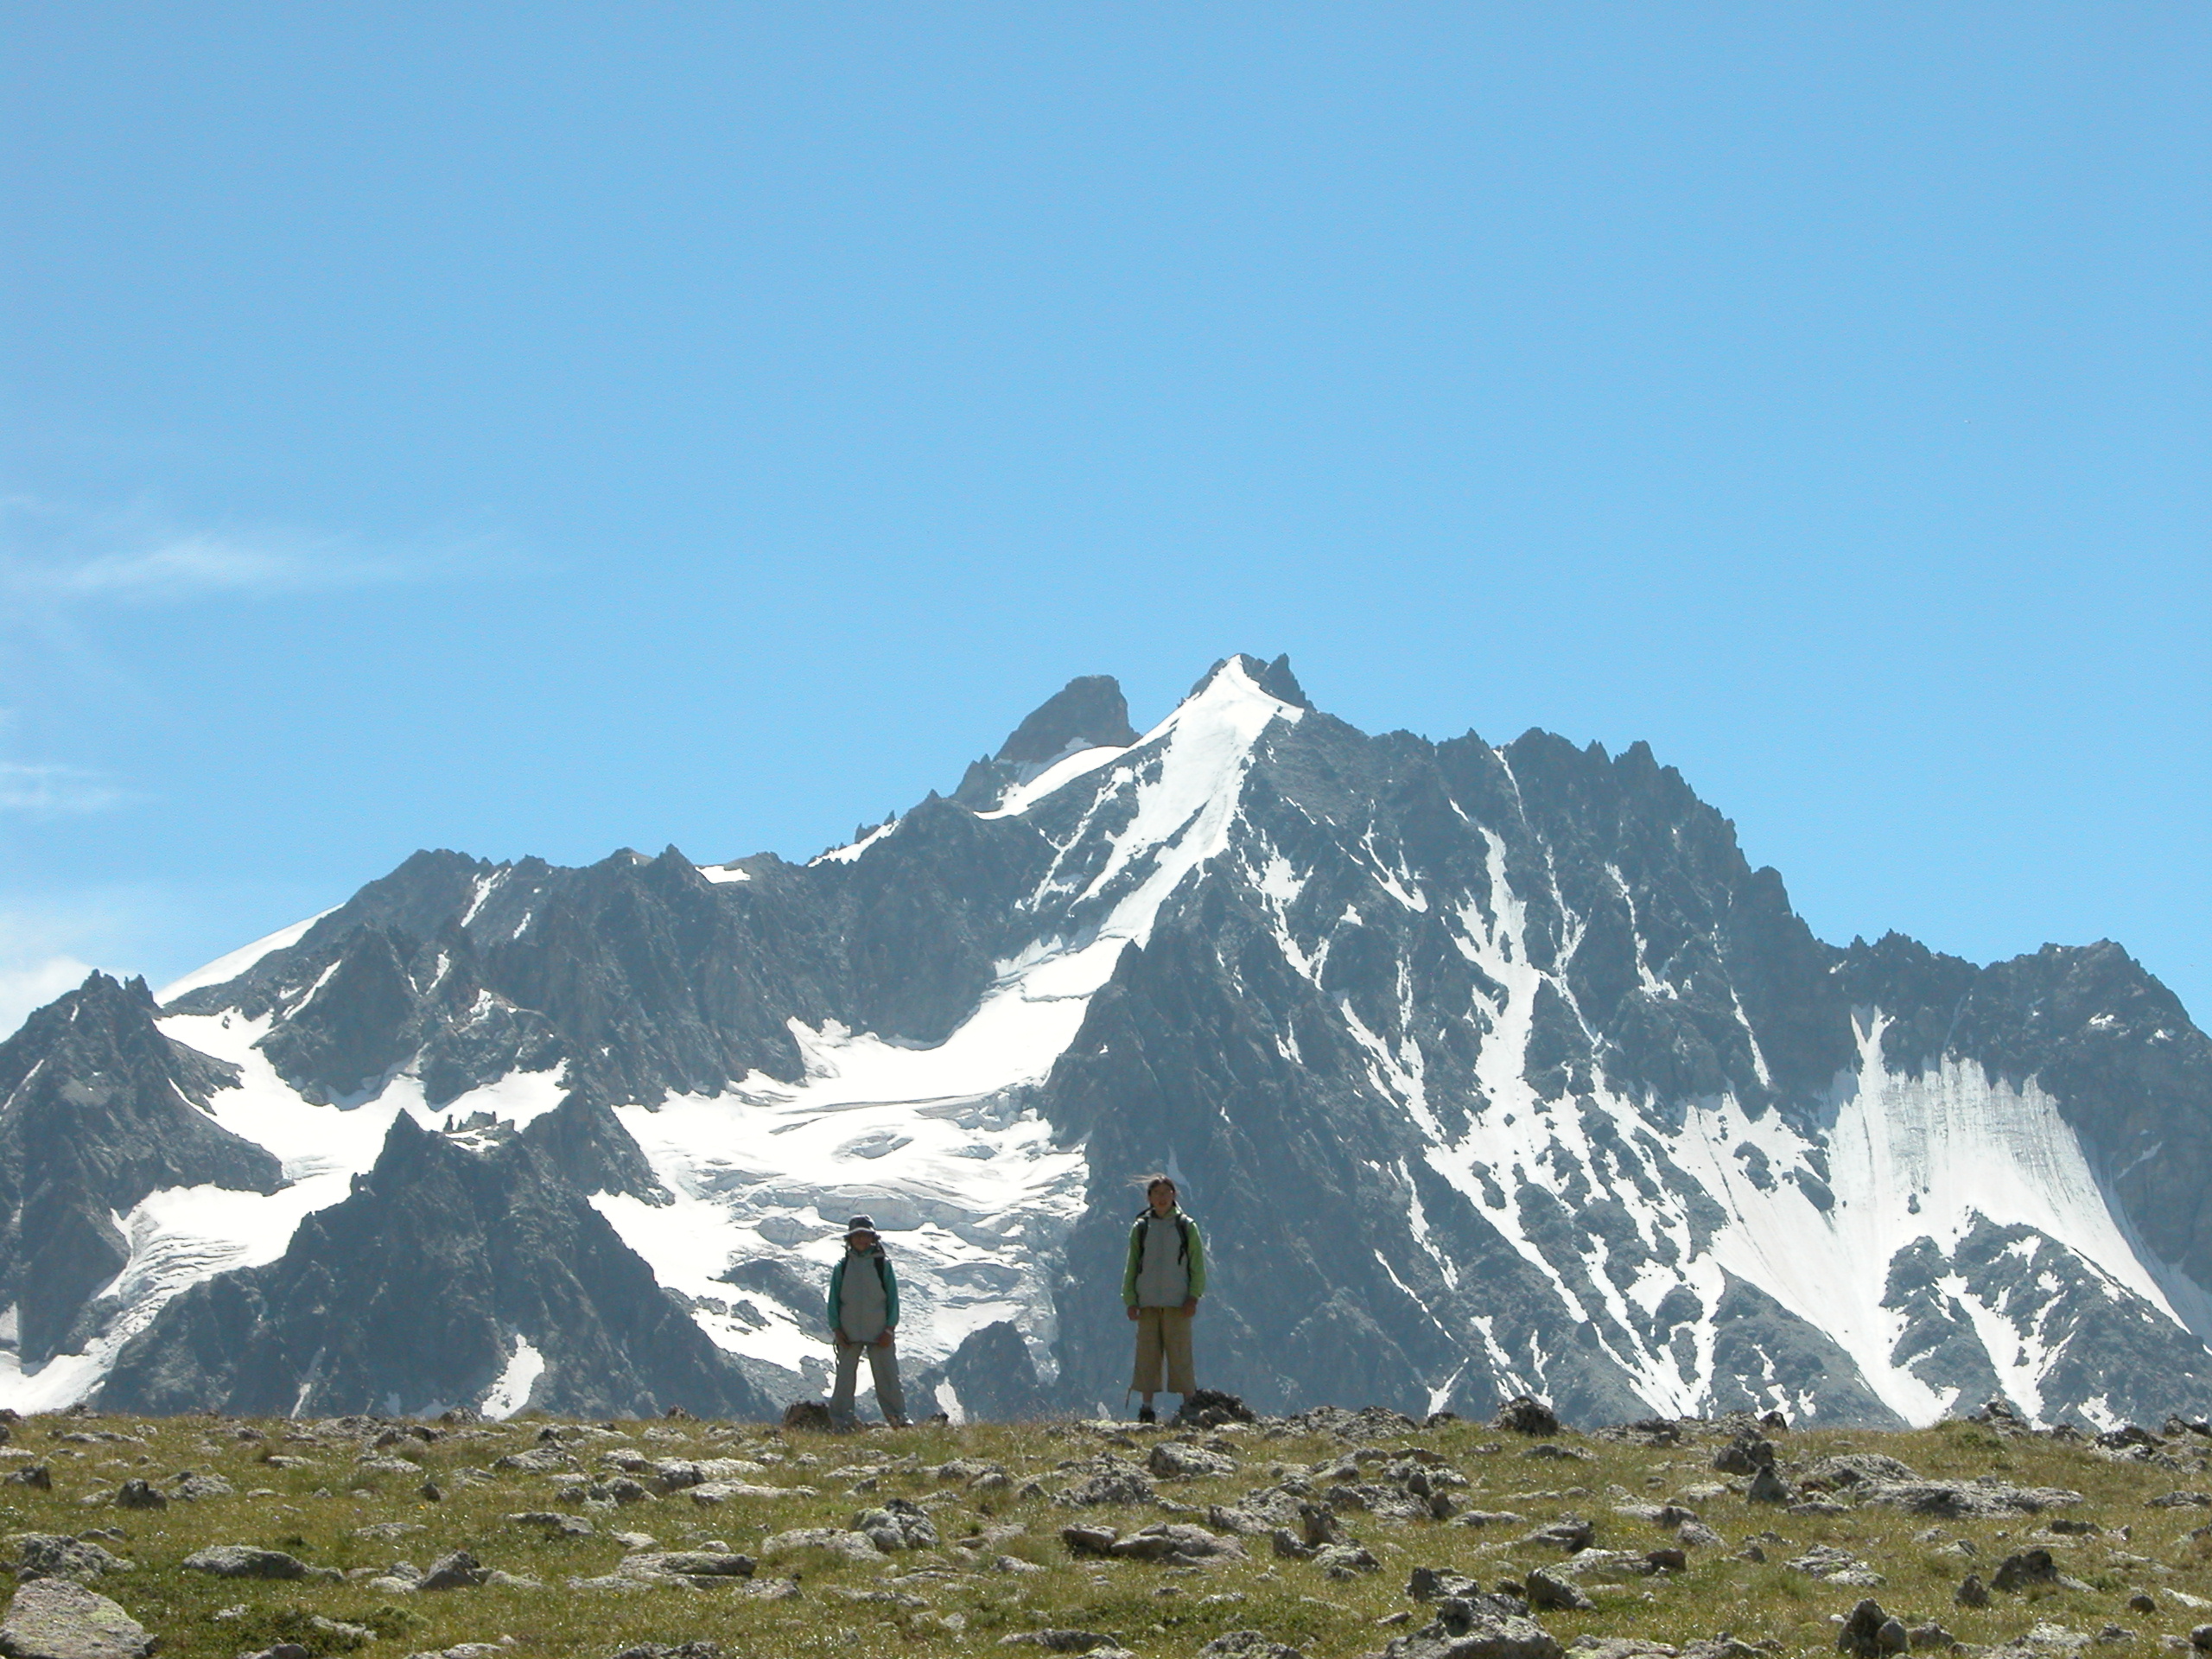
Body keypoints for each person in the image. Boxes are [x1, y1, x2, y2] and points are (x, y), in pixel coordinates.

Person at [1122, 1174, 1205, 1423]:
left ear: (1174, 1196)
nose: (1161, 1198)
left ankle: (1189, 1405)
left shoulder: (1186, 1226)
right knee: (1148, 1355)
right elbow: (1132, 1264)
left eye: (1165, 1193)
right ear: (1149, 1198)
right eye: (1156, 1193)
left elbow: (1197, 1264)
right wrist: (1130, 1299)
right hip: (1147, 1302)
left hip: (1177, 1303)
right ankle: (1147, 1409)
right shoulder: (1141, 1228)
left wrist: (1194, 1296)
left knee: (1180, 1353)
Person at [826, 1215, 909, 1428]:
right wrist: (837, 1329)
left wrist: (889, 1329)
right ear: (850, 1239)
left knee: (888, 1378)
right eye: (858, 1235)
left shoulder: (883, 1265)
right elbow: (834, 1300)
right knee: (844, 1379)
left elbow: (892, 1299)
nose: (862, 1239)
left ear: (873, 1238)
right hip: (848, 1331)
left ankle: (898, 1419)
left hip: (879, 1331)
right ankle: (840, 1420)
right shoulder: (842, 1267)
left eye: (866, 1235)